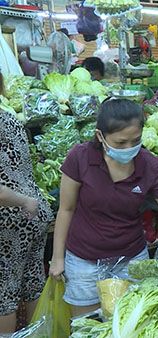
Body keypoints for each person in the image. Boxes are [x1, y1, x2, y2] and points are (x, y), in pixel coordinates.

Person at [48, 99, 158, 316]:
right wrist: (58, 258)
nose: (129, 148)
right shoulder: (80, 158)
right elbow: (66, 209)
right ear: (100, 136)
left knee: (131, 322)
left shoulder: (148, 164)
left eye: (135, 141)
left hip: (131, 261)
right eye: (120, 142)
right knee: (86, 326)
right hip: (84, 262)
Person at [0, 72, 54, 333]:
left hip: (8, 216)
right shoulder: (9, 118)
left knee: (4, 296)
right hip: (35, 212)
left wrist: (20, 202)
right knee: (32, 283)